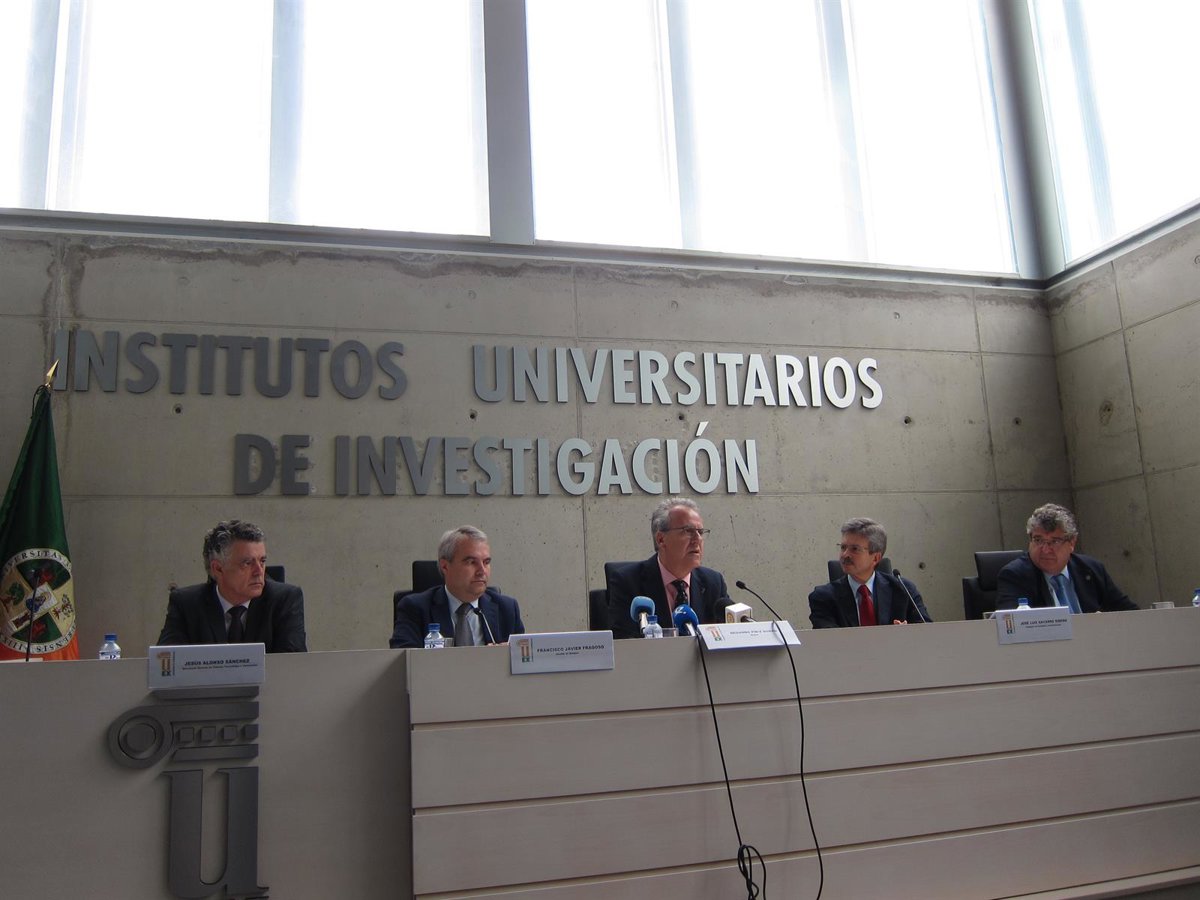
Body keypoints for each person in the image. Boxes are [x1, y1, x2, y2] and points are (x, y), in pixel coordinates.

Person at [158, 519, 307, 652]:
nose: (259, 571)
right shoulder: (186, 604)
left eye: (262, 561)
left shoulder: (285, 600)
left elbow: (292, 665)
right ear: (218, 569)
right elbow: (165, 662)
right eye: (247, 563)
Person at [606, 497, 732, 639]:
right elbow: (623, 641)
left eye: (700, 532)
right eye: (688, 531)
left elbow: (728, 638)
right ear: (661, 539)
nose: (697, 539)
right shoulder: (628, 582)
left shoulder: (713, 583)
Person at [390, 525, 525, 648]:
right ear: (445, 566)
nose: (482, 571)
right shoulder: (415, 608)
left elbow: (526, 660)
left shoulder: (506, 609)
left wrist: (507, 657)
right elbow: (404, 659)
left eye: (486, 562)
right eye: (471, 562)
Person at [996, 503, 1137, 613]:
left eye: (1055, 541)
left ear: (1072, 543)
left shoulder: (1091, 569)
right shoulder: (1015, 576)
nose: (1045, 549)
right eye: (1038, 540)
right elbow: (1011, 627)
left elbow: (1130, 614)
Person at [808, 517, 932, 628]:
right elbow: (828, 640)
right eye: (843, 547)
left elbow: (927, 632)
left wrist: (909, 633)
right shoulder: (823, 597)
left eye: (854, 549)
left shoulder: (904, 590)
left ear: (876, 558)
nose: (845, 555)